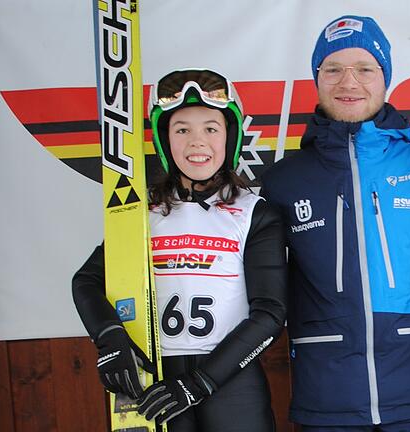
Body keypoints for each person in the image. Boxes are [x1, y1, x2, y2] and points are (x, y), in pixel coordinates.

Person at [260, 15, 410, 431]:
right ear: (317, 79)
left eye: (364, 69)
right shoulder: (283, 180)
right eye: (333, 69)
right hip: (326, 393)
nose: (349, 82)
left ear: (385, 78)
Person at [72, 68, 287, 431]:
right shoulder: (142, 213)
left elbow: (269, 314)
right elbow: (87, 281)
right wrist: (109, 337)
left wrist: (200, 382)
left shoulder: (256, 212)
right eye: (182, 129)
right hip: (156, 379)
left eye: (210, 128)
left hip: (230, 382)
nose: (196, 141)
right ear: (165, 139)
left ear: (229, 137)